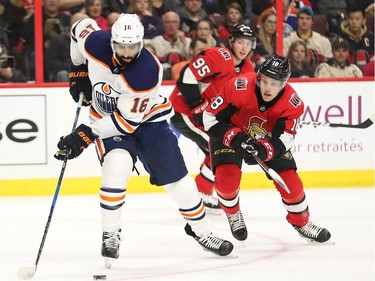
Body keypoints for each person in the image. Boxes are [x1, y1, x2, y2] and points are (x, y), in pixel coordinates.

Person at [54, 13, 234, 267]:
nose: (127, 53)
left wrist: (84, 135)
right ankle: (110, 233)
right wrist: (78, 70)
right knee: (116, 167)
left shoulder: (147, 71)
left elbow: (127, 123)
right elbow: (78, 27)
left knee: (180, 184)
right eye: (121, 46)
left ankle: (203, 233)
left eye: (133, 46)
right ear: (112, 42)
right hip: (106, 118)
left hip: (148, 122)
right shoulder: (95, 42)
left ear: (141, 43)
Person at [202, 54, 333, 244]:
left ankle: (302, 223)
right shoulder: (237, 86)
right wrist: (237, 139)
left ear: (284, 84)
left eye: (275, 83)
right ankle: (233, 213)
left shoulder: (292, 104)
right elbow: (210, 118)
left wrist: (263, 150)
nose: (268, 88)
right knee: (225, 182)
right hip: (230, 134)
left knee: (292, 186)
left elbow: (285, 139)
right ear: (259, 77)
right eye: (265, 81)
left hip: (267, 140)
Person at [169, 24, 256, 212]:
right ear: (231, 41)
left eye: (248, 43)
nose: (244, 47)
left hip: (204, 117)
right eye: (240, 42)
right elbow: (186, 77)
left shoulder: (249, 69)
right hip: (183, 111)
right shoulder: (218, 56)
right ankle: (200, 192)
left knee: (222, 146)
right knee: (215, 147)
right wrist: (198, 106)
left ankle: (201, 192)